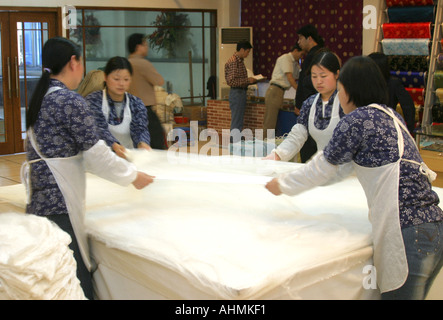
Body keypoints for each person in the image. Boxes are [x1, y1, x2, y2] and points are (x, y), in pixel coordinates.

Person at [266, 56, 443, 300]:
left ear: (349, 90)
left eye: (339, 88)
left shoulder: (356, 121)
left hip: (408, 232)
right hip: (434, 225)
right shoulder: (391, 116)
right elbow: (340, 169)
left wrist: (281, 184)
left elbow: (321, 168)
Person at [22, 37, 155, 299]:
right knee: (72, 276)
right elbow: (96, 155)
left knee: (51, 274)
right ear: (73, 62)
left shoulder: (42, 96)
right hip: (59, 200)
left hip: (40, 196)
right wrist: (132, 176)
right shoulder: (70, 101)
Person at [264, 50, 345, 164]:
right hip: (324, 168)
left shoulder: (347, 103)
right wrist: (278, 154)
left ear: (337, 74)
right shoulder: (310, 103)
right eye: (314, 76)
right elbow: (298, 134)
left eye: (323, 76)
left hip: (348, 170)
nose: (319, 81)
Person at [85, 56, 151, 159]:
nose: (121, 84)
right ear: (106, 77)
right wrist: (114, 145)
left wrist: (142, 144)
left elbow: (140, 129)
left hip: (127, 160)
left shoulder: (136, 103)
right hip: (99, 161)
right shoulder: (93, 100)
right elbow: (98, 129)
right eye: (116, 79)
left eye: (126, 79)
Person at [127, 33, 167, 149]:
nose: (147, 48)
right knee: (157, 142)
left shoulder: (127, 62)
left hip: (129, 109)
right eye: (145, 45)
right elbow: (159, 80)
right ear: (138, 47)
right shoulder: (142, 63)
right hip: (145, 109)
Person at [295, 24, 325, 162]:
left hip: (314, 108)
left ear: (310, 38)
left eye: (301, 38)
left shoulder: (318, 55)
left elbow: (307, 84)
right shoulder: (311, 55)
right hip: (308, 106)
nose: (298, 42)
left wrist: (303, 105)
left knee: (310, 146)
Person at [369, 52, 416, 135]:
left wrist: (409, 129)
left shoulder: (393, 83)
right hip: (368, 127)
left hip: (388, 128)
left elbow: (408, 106)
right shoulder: (364, 83)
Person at [263, 44, 304, 139]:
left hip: (280, 92)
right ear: (296, 50)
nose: (301, 57)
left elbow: (298, 76)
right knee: (270, 123)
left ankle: (271, 144)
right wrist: (299, 91)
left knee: (276, 123)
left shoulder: (294, 63)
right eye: (301, 54)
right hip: (275, 91)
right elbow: (290, 77)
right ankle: (264, 146)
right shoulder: (286, 58)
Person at [224, 40, 257, 138]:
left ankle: (237, 137)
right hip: (237, 92)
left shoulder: (239, 61)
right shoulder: (234, 62)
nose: (247, 54)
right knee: (236, 118)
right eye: (247, 52)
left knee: (239, 118)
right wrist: (248, 81)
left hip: (240, 92)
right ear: (242, 50)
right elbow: (231, 81)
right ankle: (234, 140)